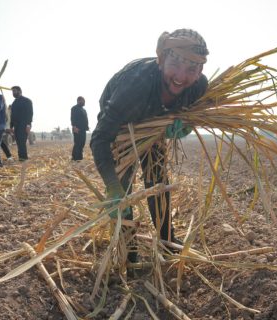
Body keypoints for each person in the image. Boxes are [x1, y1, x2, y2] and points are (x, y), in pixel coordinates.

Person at [90, 29, 209, 261]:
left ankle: (167, 240)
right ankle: (128, 250)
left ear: (200, 71)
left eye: (191, 69)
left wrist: (185, 125)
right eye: (175, 63)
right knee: (121, 190)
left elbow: (195, 113)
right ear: (162, 58)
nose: (181, 76)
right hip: (123, 128)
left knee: (158, 181)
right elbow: (100, 138)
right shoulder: (136, 86)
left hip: (153, 127)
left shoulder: (198, 87)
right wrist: (112, 186)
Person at [10, 86, 33, 161]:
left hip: (24, 124)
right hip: (16, 125)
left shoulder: (27, 101)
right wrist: (11, 126)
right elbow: (12, 115)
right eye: (12, 91)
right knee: (18, 142)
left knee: (22, 141)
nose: (13, 93)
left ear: (20, 91)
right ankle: (21, 157)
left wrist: (28, 124)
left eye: (15, 91)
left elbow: (30, 113)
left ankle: (24, 157)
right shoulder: (14, 103)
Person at [70, 96, 89, 161]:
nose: (84, 102)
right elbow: (73, 118)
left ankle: (79, 157)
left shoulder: (84, 110)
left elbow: (85, 119)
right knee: (77, 143)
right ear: (79, 101)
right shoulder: (74, 108)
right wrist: (74, 126)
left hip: (83, 129)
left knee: (82, 143)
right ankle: (74, 157)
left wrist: (87, 127)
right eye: (83, 101)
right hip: (77, 128)